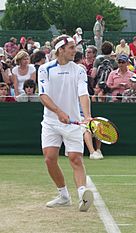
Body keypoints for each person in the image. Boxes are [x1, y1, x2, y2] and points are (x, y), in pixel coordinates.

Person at [38, 34, 93, 212]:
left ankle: (82, 195)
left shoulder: (79, 69)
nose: (74, 51)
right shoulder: (45, 69)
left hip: (73, 124)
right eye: (71, 47)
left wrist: (87, 116)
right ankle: (63, 196)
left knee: (75, 159)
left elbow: (83, 93)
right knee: (49, 158)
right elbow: (43, 96)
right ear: (60, 50)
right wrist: (58, 112)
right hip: (51, 122)